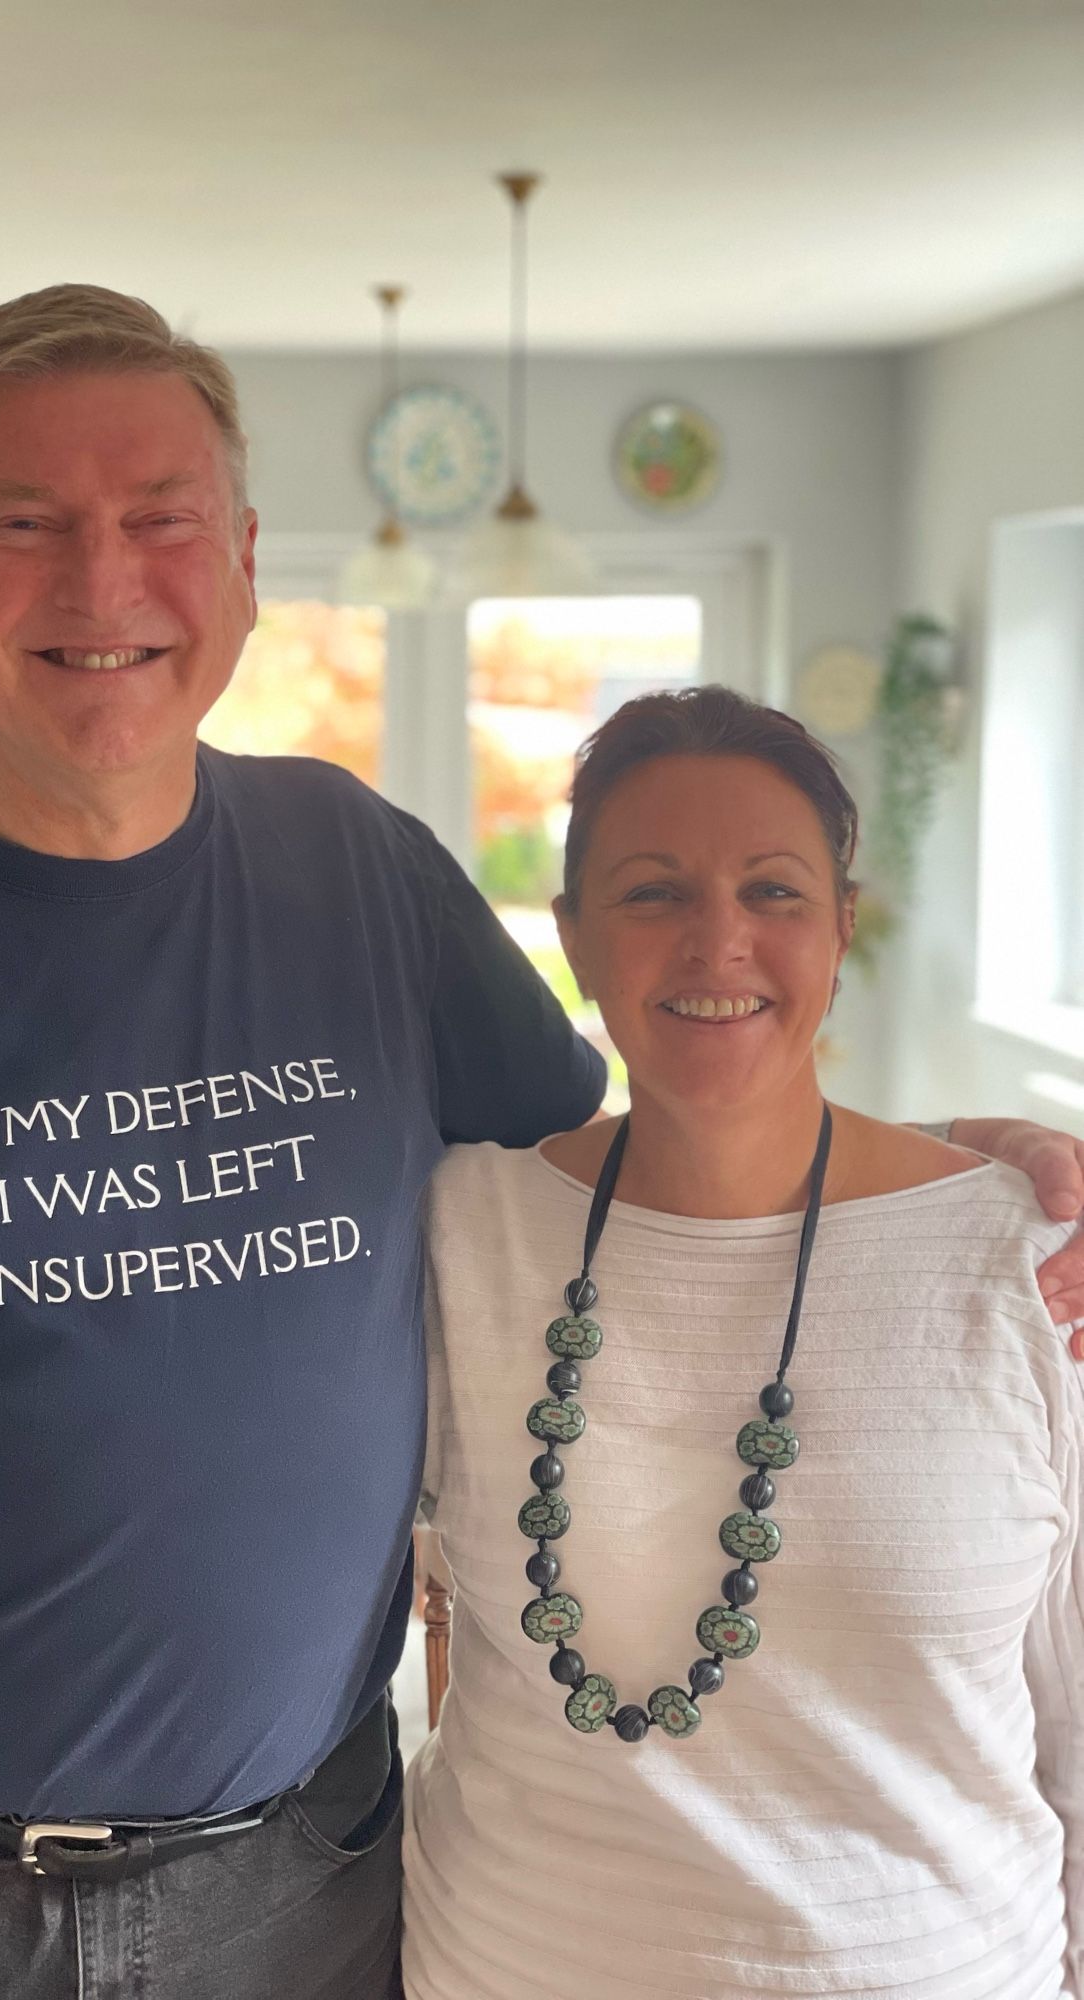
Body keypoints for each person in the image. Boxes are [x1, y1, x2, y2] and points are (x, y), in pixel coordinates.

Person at [0, 287, 1080, 2000]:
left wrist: (929, 1166)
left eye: (159, 521)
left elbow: (620, 1177)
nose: (101, 583)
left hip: (312, 1889)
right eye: (27, 526)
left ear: (237, 563)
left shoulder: (354, 870)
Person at [400, 686, 1084, 1998]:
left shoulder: (1031, 1258)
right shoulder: (457, 1230)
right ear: (574, 940)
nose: (719, 941)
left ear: (841, 934)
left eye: (774, 892)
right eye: (654, 893)